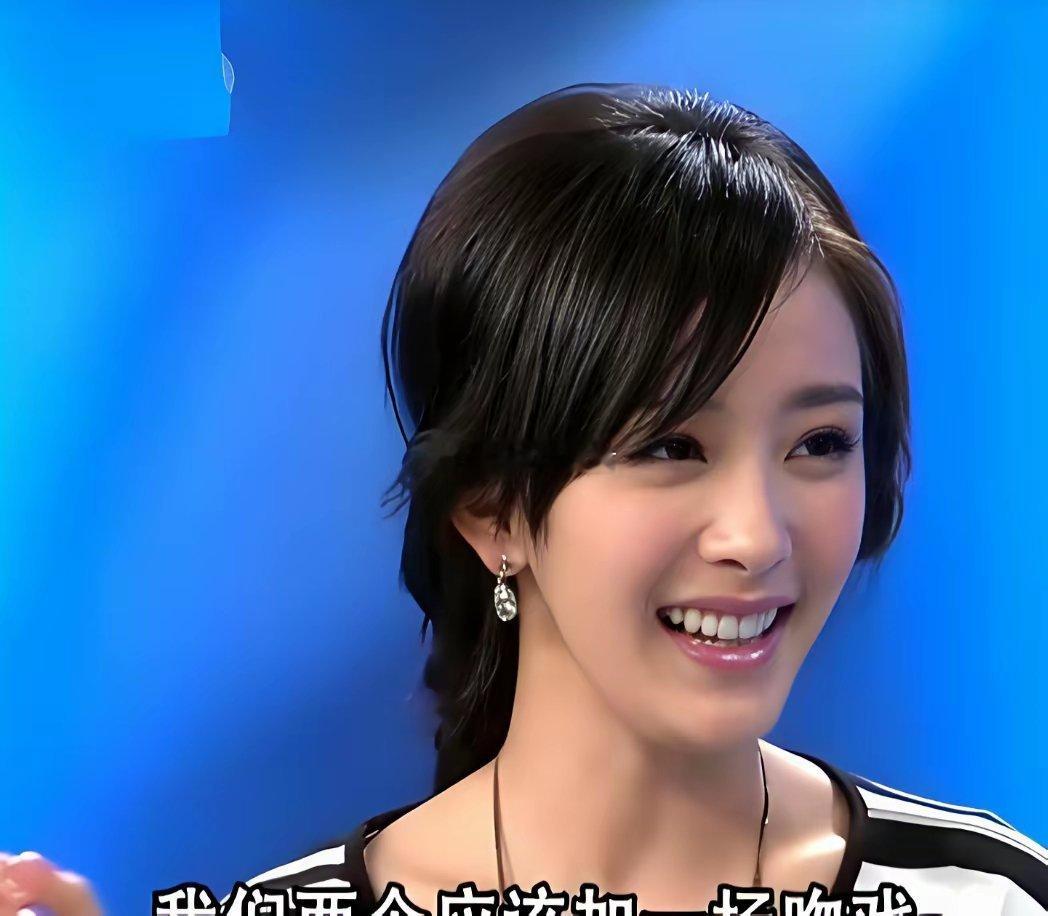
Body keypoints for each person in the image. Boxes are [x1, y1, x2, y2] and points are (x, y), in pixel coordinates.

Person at [4, 83, 1045, 916]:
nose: (756, 535)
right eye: (671, 445)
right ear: (490, 507)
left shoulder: (990, 895)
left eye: (819, 444)